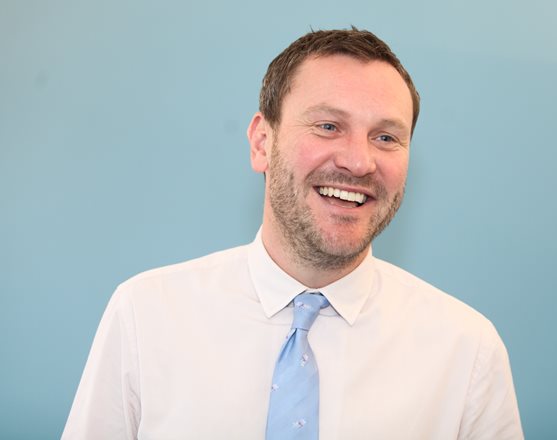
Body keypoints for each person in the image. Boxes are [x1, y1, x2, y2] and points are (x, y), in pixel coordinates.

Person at [63, 28, 523, 439]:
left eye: (385, 137)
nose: (359, 162)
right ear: (262, 143)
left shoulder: (467, 351)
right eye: (328, 126)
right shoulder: (145, 316)